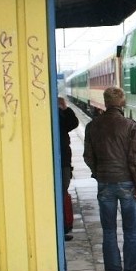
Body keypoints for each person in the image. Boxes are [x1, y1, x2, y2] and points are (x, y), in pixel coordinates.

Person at [83, 87, 136, 271]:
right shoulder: (130, 126)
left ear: (105, 102)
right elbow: (134, 160)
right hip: (127, 183)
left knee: (109, 230)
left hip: (105, 183)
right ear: (122, 103)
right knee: (131, 230)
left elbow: (88, 157)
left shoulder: (92, 126)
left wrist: (98, 173)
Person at [58, 96, 79, 241]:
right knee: (61, 192)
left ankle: (65, 226)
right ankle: (63, 226)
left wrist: (65, 109)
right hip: (61, 160)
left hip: (63, 160)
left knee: (63, 191)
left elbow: (73, 123)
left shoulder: (59, 113)